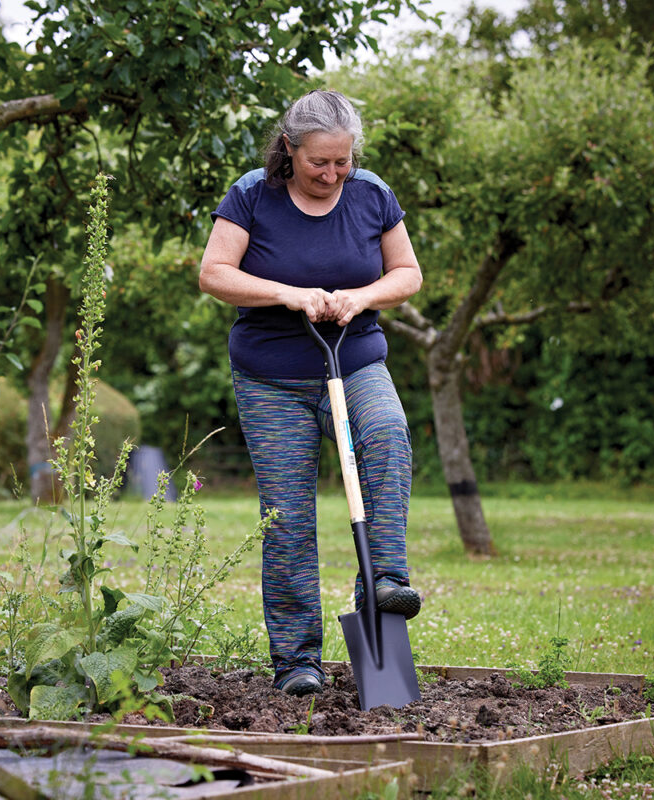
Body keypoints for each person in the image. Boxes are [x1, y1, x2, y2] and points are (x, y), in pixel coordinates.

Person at [199, 90, 423, 697]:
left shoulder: (372, 195)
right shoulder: (252, 195)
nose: (331, 174)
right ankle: (297, 660)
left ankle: (384, 586)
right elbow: (214, 273)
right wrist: (287, 293)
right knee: (290, 517)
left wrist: (362, 297)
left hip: (353, 362)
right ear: (290, 149)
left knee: (387, 438)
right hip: (273, 378)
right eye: (318, 162)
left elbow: (407, 273)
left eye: (342, 162)